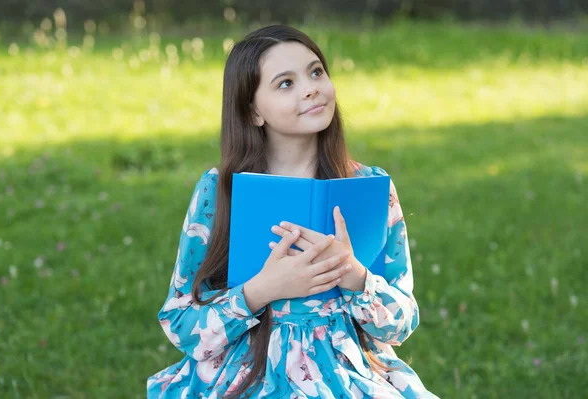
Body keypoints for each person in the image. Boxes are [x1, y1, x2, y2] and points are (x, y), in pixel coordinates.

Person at [147, 24, 438, 399]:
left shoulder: (368, 186)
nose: (311, 87)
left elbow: (400, 324)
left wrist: (353, 273)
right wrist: (259, 291)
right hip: (247, 372)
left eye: (316, 71)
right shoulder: (221, 189)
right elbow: (180, 322)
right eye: (285, 83)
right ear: (253, 111)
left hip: (345, 375)